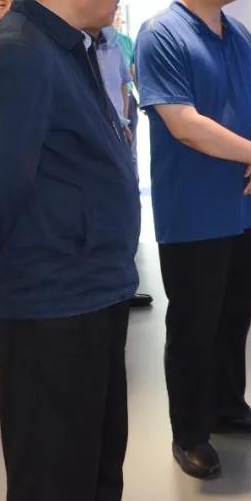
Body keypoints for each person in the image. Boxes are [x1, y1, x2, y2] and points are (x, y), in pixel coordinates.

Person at [0, 0, 171, 501]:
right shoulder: (19, 53)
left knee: (97, 449)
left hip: (92, 285)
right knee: (53, 471)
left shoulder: (72, 45)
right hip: (49, 298)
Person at [136, 0, 251, 480]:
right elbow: (184, 124)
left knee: (236, 310)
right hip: (195, 207)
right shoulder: (162, 34)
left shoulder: (238, 34)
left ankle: (227, 407)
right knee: (195, 322)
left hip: (244, 200)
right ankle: (191, 432)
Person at [91, 23, 153, 308]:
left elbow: (122, 84)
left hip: (119, 127)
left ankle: (123, 285)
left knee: (126, 199)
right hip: (93, 134)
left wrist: (124, 120)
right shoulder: (67, 43)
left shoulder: (115, 42)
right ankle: (102, 289)